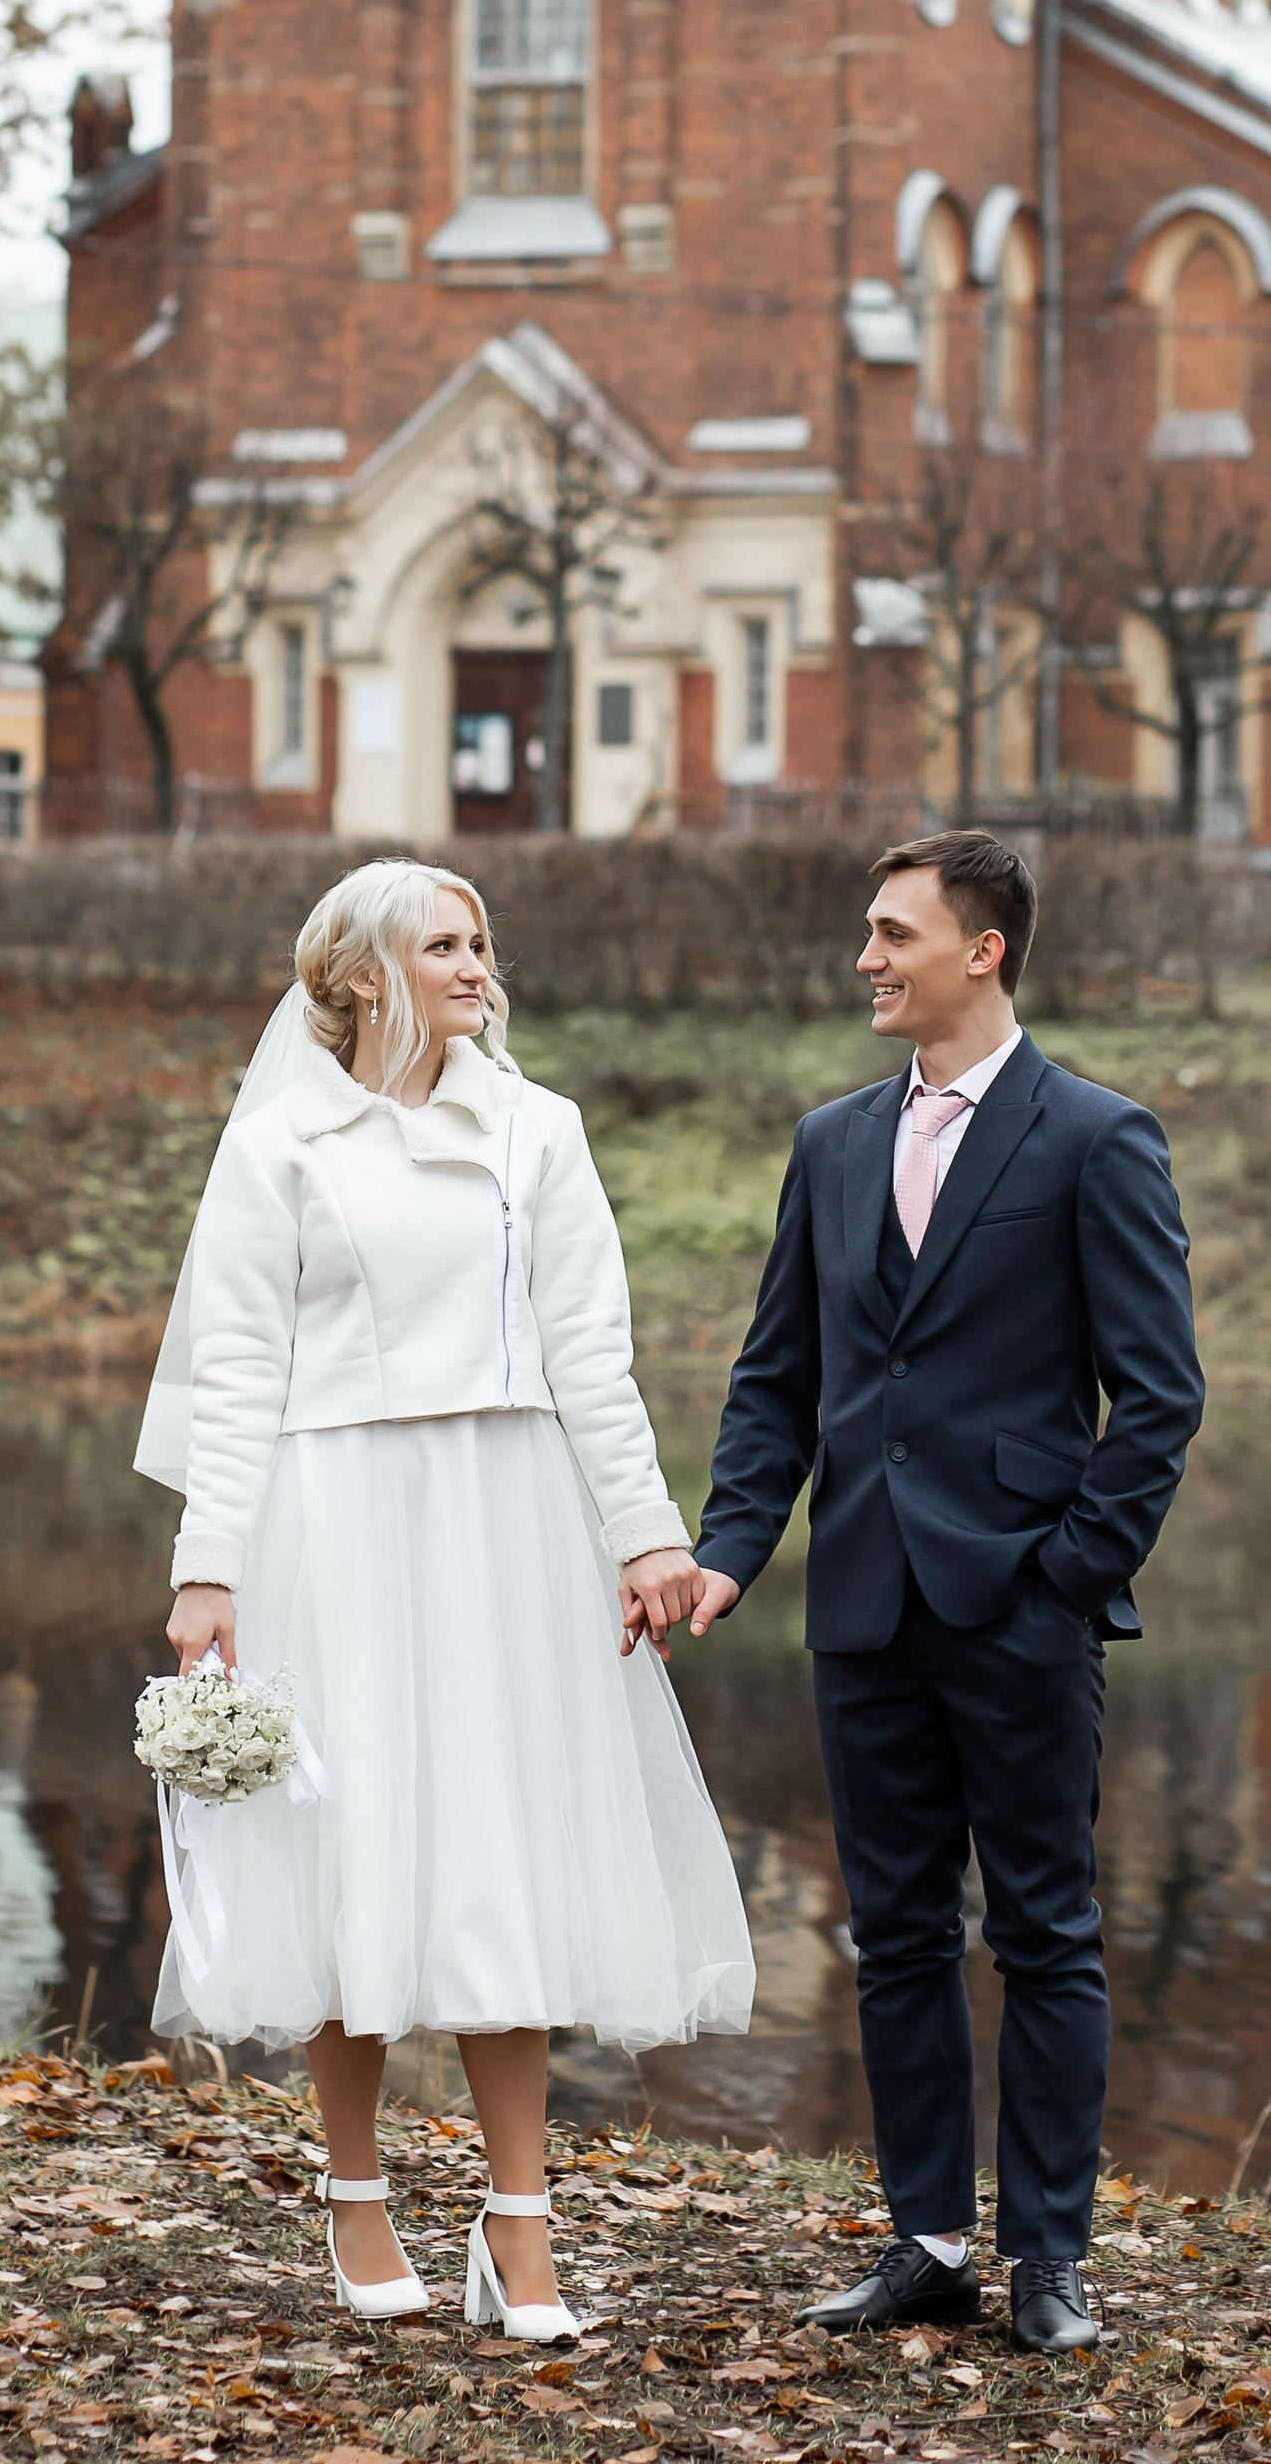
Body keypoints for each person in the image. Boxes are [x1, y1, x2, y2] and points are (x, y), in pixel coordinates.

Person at [134, 858, 753, 2342]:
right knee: (346, 1850)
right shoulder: (279, 1146)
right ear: (361, 976)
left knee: (500, 1851)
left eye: (483, 943)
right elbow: (237, 1365)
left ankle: (519, 2226)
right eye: (445, 945)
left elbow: (591, 1350)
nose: (479, 966)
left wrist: (644, 1536)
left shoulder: (540, 1130)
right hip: (334, 1521)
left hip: (505, 1517)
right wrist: (208, 1565)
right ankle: (354, 2194)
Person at [685, 829, 1202, 2356]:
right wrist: (732, 1547)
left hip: (1024, 1606)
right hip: (862, 1602)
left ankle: (1049, 2254)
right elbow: (777, 1375)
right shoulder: (831, 1142)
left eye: (893, 932)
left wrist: (1069, 1576)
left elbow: (1159, 1398)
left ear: (984, 949)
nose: (867, 957)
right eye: (868, 930)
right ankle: (927, 2239)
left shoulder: (1097, 1136)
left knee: (1045, 1930)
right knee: (896, 1933)